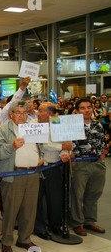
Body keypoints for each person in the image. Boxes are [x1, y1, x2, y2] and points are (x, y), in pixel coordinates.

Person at [0, 100, 43, 252]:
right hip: (14, 175)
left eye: (25, 113)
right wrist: (11, 147)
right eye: (18, 112)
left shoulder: (32, 128)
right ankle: (7, 241)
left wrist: (40, 158)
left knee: (30, 209)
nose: (22, 116)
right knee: (11, 210)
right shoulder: (3, 130)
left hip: (33, 173)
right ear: (11, 114)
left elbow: (40, 146)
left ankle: (24, 239)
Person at [33, 103, 72, 240]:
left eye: (41, 111)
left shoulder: (57, 122)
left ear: (50, 114)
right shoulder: (33, 124)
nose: (37, 113)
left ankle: (55, 225)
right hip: (37, 167)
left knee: (55, 198)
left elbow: (67, 142)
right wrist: (60, 146)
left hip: (54, 166)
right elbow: (42, 144)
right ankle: (39, 228)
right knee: (36, 199)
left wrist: (65, 152)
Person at [70, 98, 107, 236]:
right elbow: (71, 147)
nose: (86, 110)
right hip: (81, 163)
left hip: (97, 163)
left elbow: (102, 144)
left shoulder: (98, 125)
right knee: (77, 194)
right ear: (77, 110)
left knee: (94, 193)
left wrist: (101, 160)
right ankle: (77, 222)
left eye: (88, 107)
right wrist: (74, 165)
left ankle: (89, 220)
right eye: (82, 108)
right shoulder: (73, 125)